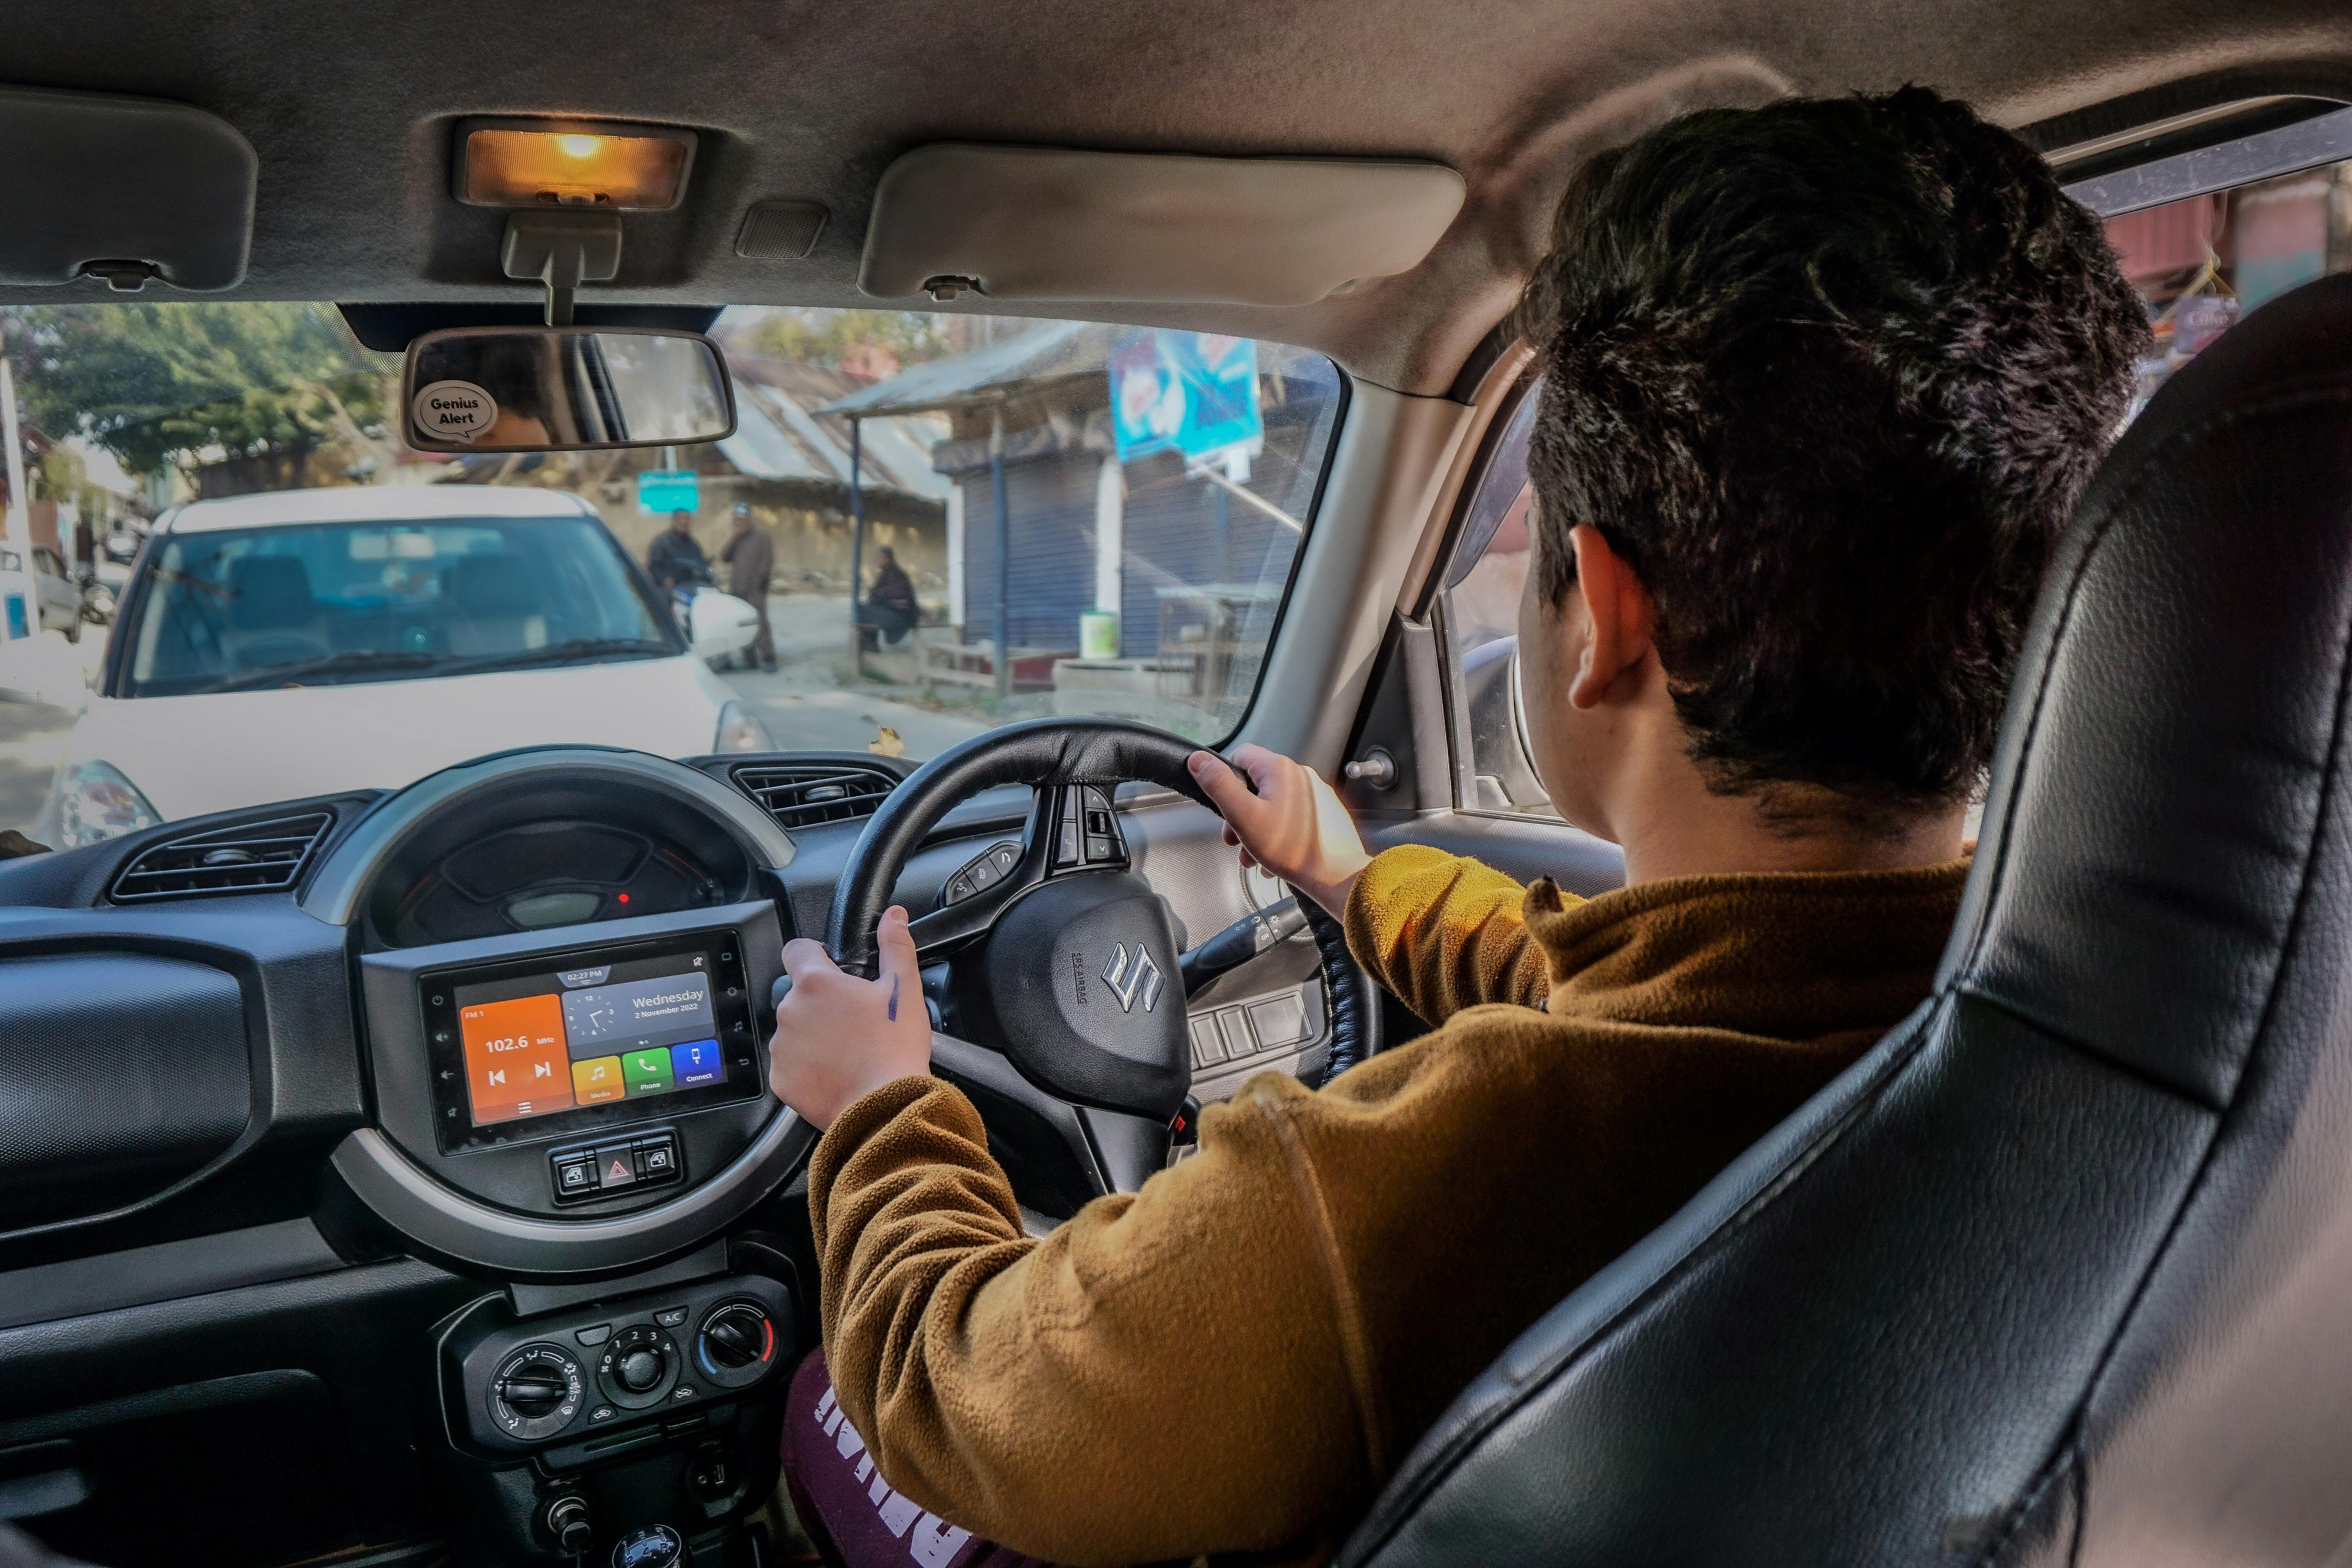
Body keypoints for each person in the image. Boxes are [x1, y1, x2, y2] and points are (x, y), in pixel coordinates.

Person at [767, 87, 2151, 1566]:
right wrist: (1357, 887)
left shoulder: (1385, 1202)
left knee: (820, 1416)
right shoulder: (2110, 1032)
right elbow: (1627, 1000)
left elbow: (965, 1394)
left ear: (1604, 617)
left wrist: (875, 1110)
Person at [721, 502, 777, 672]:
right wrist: (734, 538)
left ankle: (769, 658)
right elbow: (725, 557)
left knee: (760, 624)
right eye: (736, 520)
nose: (740, 523)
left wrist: (757, 584)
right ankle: (750, 659)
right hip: (737, 589)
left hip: (755, 589)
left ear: (749, 519)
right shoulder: (737, 538)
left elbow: (767, 562)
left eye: (742, 519)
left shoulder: (762, 537)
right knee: (743, 624)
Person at [861, 546, 918, 648]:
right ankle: (871, 646)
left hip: (900, 616)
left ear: (885, 558)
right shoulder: (888, 572)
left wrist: (876, 596)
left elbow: (894, 598)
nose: (875, 561)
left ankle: (871, 647)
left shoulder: (894, 574)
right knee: (865, 610)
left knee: (861, 611)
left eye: (877, 557)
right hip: (898, 614)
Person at [645, 508, 709, 594]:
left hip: (691, 587)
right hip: (669, 590)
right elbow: (654, 567)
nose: (684, 522)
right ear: (674, 521)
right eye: (681, 519)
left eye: (687, 519)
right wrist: (665, 580)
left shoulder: (693, 544)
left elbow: (701, 564)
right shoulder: (661, 542)